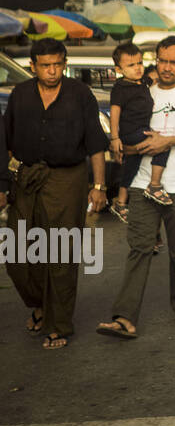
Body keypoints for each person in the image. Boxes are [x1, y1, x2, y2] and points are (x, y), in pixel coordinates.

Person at [96, 35, 175, 340]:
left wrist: (169, 141)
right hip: (141, 184)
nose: (166, 67)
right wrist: (135, 147)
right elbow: (126, 137)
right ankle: (125, 317)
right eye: (162, 60)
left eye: (173, 62)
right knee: (139, 248)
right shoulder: (142, 91)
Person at [0, 38, 109, 349]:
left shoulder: (80, 94)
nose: (51, 71)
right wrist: (4, 183)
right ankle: (39, 303)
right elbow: (5, 141)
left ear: (65, 63)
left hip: (67, 179)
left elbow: (96, 144)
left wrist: (99, 186)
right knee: (17, 253)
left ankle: (58, 324)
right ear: (33, 67)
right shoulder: (20, 94)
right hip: (25, 178)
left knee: (60, 253)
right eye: (45, 66)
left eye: (57, 64)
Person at [109, 42, 171, 211]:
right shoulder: (120, 88)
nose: (137, 68)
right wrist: (115, 138)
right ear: (119, 70)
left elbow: (160, 79)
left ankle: (121, 203)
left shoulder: (143, 81)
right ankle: (155, 185)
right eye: (131, 65)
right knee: (162, 144)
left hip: (141, 128)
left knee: (132, 167)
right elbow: (114, 112)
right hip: (131, 132)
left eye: (139, 63)